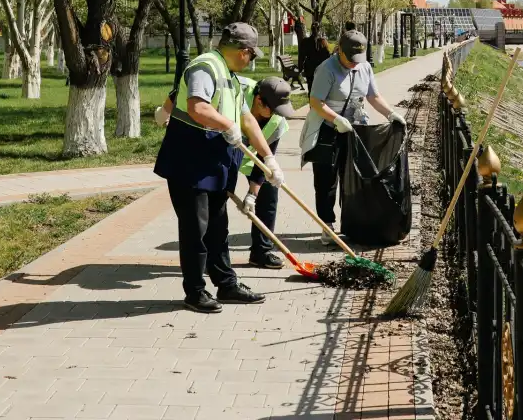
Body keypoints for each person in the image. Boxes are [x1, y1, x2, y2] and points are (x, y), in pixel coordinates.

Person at [154, 22, 285, 313]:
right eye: (252, 55)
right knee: (195, 229)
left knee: (217, 226)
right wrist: (227, 124)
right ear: (243, 51)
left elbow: (247, 120)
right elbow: (197, 108)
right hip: (191, 160)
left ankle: (226, 284)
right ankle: (195, 292)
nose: (252, 61)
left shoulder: (230, 76)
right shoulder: (206, 66)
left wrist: (268, 160)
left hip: (213, 162)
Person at [300, 29, 406, 244]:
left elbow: (373, 96)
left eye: (358, 59)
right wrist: (336, 119)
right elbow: (315, 102)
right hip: (327, 129)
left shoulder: (364, 67)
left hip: (354, 129)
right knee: (326, 179)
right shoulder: (326, 69)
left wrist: (390, 113)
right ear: (340, 50)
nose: (354, 63)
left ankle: (354, 221)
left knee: (355, 177)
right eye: (350, 59)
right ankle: (326, 223)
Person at [234, 75, 294, 269]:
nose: (278, 114)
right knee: (214, 201)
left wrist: (252, 194)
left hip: (250, 158)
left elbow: (264, 161)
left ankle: (261, 252)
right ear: (259, 101)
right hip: (219, 154)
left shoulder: (277, 120)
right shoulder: (237, 91)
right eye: (274, 109)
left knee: (269, 191)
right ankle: (213, 257)